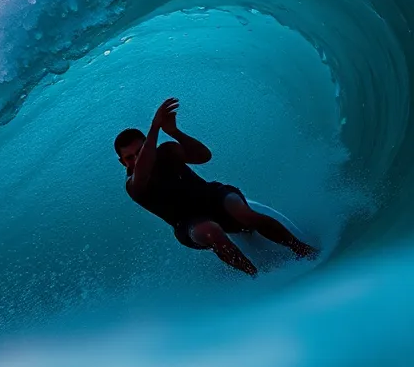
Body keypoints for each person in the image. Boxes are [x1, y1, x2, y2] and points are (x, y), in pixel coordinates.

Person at [116, 98, 318, 276]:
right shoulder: (134, 185)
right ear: (122, 163)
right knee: (211, 231)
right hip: (188, 223)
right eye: (129, 157)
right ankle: (257, 276)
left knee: (243, 212)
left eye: (140, 151)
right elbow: (142, 170)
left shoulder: (167, 151)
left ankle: (303, 249)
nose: (136, 159)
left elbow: (204, 156)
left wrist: (174, 132)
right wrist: (154, 127)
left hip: (212, 197)